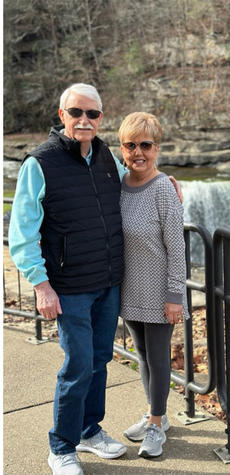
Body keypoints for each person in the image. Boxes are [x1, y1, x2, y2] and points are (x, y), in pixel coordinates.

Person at [9, 83, 128, 475]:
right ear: (62, 116)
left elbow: (137, 178)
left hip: (108, 280)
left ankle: (89, 430)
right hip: (69, 287)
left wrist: (166, 181)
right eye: (76, 112)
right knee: (77, 365)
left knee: (100, 359)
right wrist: (41, 285)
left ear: (100, 118)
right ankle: (61, 446)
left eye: (92, 114)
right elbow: (22, 234)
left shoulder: (107, 156)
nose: (84, 120)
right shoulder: (39, 164)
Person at [116, 112, 188, 458]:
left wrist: (175, 295)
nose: (137, 152)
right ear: (122, 148)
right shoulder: (118, 185)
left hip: (160, 292)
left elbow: (177, 247)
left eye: (145, 145)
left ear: (156, 148)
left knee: (159, 359)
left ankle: (157, 424)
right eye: (130, 145)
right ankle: (153, 414)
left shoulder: (163, 189)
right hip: (129, 289)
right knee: (142, 355)